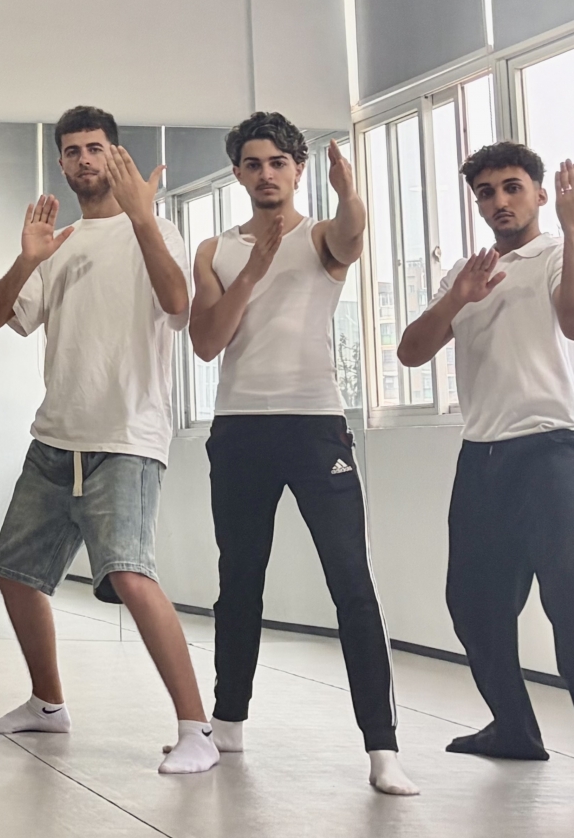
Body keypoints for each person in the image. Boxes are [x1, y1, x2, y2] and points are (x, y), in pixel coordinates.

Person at [0, 106, 217, 775]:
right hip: (57, 435)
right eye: (73, 150)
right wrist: (27, 261)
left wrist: (142, 219)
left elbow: (177, 304)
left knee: (130, 574)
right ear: (61, 162)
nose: (84, 159)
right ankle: (47, 704)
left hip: (128, 436)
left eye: (95, 148)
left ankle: (196, 728)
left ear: (116, 155)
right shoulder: (60, 242)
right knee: (13, 572)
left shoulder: (156, 228)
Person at [188, 113, 414, 795]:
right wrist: (252, 271)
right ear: (238, 173)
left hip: (315, 426)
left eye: (278, 162)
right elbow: (206, 342)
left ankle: (383, 748)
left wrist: (350, 195)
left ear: (298, 170)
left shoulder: (320, 235)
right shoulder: (214, 249)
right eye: (254, 163)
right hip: (240, 429)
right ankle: (228, 721)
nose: (266, 174)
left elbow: (351, 236)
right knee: (240, 580)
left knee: (351, 582)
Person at [397, 141, 574, 763]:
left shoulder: (556, 254)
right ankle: (514, 730)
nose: (500, 201)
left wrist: (573, 230)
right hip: (483, 457)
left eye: (512, 187)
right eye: (486, 192)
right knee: (473, 606)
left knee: (568, 605)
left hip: (552, 452)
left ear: (539, 194)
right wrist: (458, 297)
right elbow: (411, 352)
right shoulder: (465, 273)